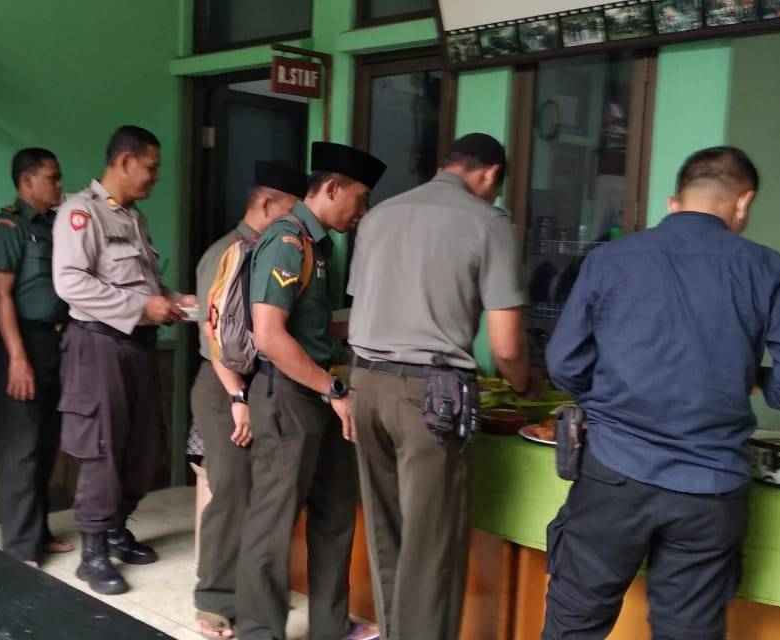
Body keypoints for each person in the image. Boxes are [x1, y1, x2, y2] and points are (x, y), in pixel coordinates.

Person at [542, 146, 780, 640]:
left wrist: (611, 401)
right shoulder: (769, 270)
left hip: (613, 472)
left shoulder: (611, 259)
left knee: (574, 623)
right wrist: (757, 379)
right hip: (711, 489)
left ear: (673, 202)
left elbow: (564, 363)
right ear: (743, 202)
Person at [345, 133, 531, 640]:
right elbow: (507, 346)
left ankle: (395, 631)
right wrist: (524, 385)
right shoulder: (488, 223)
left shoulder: (378, 217)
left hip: (365, 385)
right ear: (490, 174)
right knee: (432, 546)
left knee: (386, 529)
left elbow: (362, 301)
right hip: (431, 397)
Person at [235, 142, 386, 640]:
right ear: (333, 188)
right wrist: (334, 388)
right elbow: (270, 336)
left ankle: (330, 626)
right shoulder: (287, 241)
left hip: (321, 395)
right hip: (289, 397)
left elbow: (314, 326)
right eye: (360, 198)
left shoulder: (320, 246)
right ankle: (259, 631)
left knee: (336, 514)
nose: (361, 212)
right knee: (273, 523)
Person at [52, 125, 195, 595]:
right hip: (98, 347)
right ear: (125, 161)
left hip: (137, 346)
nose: (155, 177)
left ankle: (117, 528)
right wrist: (142, 307)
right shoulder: (80, 213)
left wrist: (174, 300)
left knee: (144, 446)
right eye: (150, 167)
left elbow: (143, 285)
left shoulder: (134, 218)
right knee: (104, 448)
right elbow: (71, 283)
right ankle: (92, 553)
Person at [190, 161, 308, 639]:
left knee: (261, 496)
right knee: (232, 488)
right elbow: (213, 333)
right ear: (265, 202)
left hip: (260, 387)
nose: (296, 220)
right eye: (290, 209)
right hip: (225, 386)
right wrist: (238, 395)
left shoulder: (276, 251)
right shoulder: (227, 253)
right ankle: (214, 599)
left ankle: (252, 595)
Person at [0, 147, 76, 566]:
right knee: (20, 449)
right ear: (26, 181)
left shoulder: (57, 225)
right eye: (51, 177)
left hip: (56, 342)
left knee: (46, 442)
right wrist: (17, 358)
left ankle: (38, 531)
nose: (59, 184)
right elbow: (0, 294)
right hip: (18, 342)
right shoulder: (6, 227)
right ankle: (20, 550)